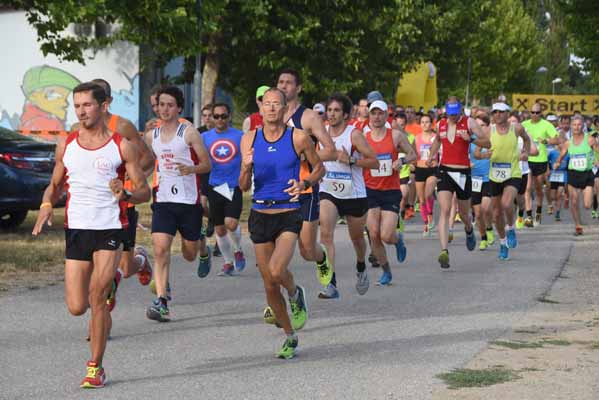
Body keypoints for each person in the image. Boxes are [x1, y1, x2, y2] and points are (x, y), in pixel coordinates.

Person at [32, 82, 150, 388]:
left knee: (97, 298)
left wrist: (125, 192)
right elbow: (55, 184)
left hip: (110, 227)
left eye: (87, 105)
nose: (81, 111)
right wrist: (46, 204)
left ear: (102, 106)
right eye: (77, 105)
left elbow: (143, 192)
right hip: (77, 229)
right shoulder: (67, 143)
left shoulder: (122, 145)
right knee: (76, 306)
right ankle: (135, 263)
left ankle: (95, 366)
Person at [239, 88, 324, 359]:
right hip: (260, 213)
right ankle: (290, 335)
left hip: (289, 212)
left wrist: (305, 183)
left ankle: (294, 291)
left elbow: (319, 167)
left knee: (276, 271)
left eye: (277, 104)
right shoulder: (249, 139)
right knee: (268, 284)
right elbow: (242, 187)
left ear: (286, 109)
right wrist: (245, 167)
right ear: (260, 108)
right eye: (268, 104)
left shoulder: (298, 137)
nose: (272, 108)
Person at [143, 85, 212, 322]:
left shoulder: (189, 133)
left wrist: (191, 168)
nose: (164, 109)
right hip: (163, 200)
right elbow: (147, 164)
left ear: (179, 108)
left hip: (187, 201)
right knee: (160, 250)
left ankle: (202, 245)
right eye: (161, 104)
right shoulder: (151, 136)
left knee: (189, 254)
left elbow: (207, 164)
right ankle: (162, 301)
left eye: (170, 105)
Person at [277, 68, 336, 288]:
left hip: (305, 188)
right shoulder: (271, 115)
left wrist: (304, 155)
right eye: (280, 82)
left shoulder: (308, 116)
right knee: (275, 247)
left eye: (289, 82)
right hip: (277, 190)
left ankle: (321, 260)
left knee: (306, 249)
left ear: (298, 88)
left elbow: (330, 150)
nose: (284, 86)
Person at [317, 93, 379, 299]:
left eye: (336, 111)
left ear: (345, 115)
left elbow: (374, 162)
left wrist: (352, 160)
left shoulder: (354, 135)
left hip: (354, 193)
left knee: (356, 239)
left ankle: (361, 265)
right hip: (328, 190)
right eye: (329, 110)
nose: (331, 114)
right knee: (326, 234)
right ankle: (330, 283)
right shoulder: (321, 133)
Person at [426, 97, 489, 269]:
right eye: (450, 114)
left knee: (463, 213)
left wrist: (471, 139)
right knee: (445, 210)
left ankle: (469, 229)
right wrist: (432, 155)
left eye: (456, 114)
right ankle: (444, 250)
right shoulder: (440, 124)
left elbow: (487, 142)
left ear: (461, 110)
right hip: (445, 170)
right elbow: (438, 140)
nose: (453, 117)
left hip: (463, 172)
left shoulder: (469, 123)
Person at [363, 100, 416, 285]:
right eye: (373, 113)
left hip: (390, 191)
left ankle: (397, 239)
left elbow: (412, 154)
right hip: (370, 190)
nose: (376, 117)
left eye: (380, 113)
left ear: (386, 115)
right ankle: (386, 271)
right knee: (374, 233)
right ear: (369, 116)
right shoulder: (363, 137)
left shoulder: (395, 136)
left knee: (386, 235)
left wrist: (401, 162)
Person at [203, 103, 246, 276]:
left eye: (224, 116)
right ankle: (228, 263)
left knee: (231, 223)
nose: (220, 119)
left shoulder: (240, 136)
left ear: (229, 116)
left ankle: (238, 250)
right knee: (220, 229)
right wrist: (203, 192)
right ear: (212, 117)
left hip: (233, 185)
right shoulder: (205, 137)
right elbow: (201, 163)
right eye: (217, 116)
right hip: (215, 185)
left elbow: (248, 159)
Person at [485, 102, 531, 260]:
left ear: (507, 113)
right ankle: (503, 243)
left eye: (501, 112)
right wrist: (482, 154)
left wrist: (526, 152)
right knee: (496, 214)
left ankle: (511, 227)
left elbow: (527, 140)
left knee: (506, 204)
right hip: (494, 175)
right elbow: (478, 150)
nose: (497, 114)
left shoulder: (516, 128)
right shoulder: (488, 130)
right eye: (495, 112)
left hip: (513, 173)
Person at [553, 115, 599, 235]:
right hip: (573, 173)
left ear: (583, 126)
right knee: (574, 201)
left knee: (587, 205)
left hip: (587, 174)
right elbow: (562, 154)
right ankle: (578, 225)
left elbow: (597, 150)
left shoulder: (590, 139)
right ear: (571, 126)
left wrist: (597, 160)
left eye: (579, 124)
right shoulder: (568, 143)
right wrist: (557, 162)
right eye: (574, 125)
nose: (576, 127)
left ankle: (584, 215)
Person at [521, 103, 560, 226]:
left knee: (538, 189)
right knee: (527, 188)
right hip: (527, 160)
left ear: (541, 113)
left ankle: (538, 212)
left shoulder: (546, 125)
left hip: (541, 160)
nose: (535, 115)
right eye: (532, 112)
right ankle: (528, 216)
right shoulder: (524, 125)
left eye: (537, 113)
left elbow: (557, 139)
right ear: (530, 113)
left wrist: (546, 141)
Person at [414, 114, 437, 236]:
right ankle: (426, 224)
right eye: (422, 122)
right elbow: (413, 154)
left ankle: (430, 216)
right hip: (420, 169)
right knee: (421, 199)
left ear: (431, 123)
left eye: (427, 122)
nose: (424, 124)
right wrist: (412, 164)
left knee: (428, 194)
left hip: (432, 169)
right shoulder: (417, 138)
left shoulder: (435, 138)